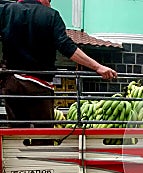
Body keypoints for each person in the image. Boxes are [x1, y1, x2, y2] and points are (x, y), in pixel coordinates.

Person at [0, 0, 118, 128]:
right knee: (42, 136)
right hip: (39, 86)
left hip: (12, 83)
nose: (50, 4)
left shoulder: (7, 10)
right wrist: (98, 67)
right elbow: (67, 47)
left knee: (16, 133)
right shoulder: (51, 15)